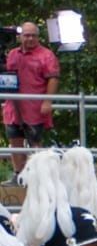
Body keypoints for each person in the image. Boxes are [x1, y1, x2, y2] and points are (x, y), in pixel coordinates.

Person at [5, 22, 59, 174]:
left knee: (35, 142)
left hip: (35, 107)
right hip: (13, 106)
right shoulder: (12, 54)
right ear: (20, 37)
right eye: (26, 35)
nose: (30, 39)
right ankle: (19, 175)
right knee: (15, 142)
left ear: (38, 37)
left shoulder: (46, 55)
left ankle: (39, 175)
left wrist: (48, 101)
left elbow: (53, 78)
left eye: (33, 35)